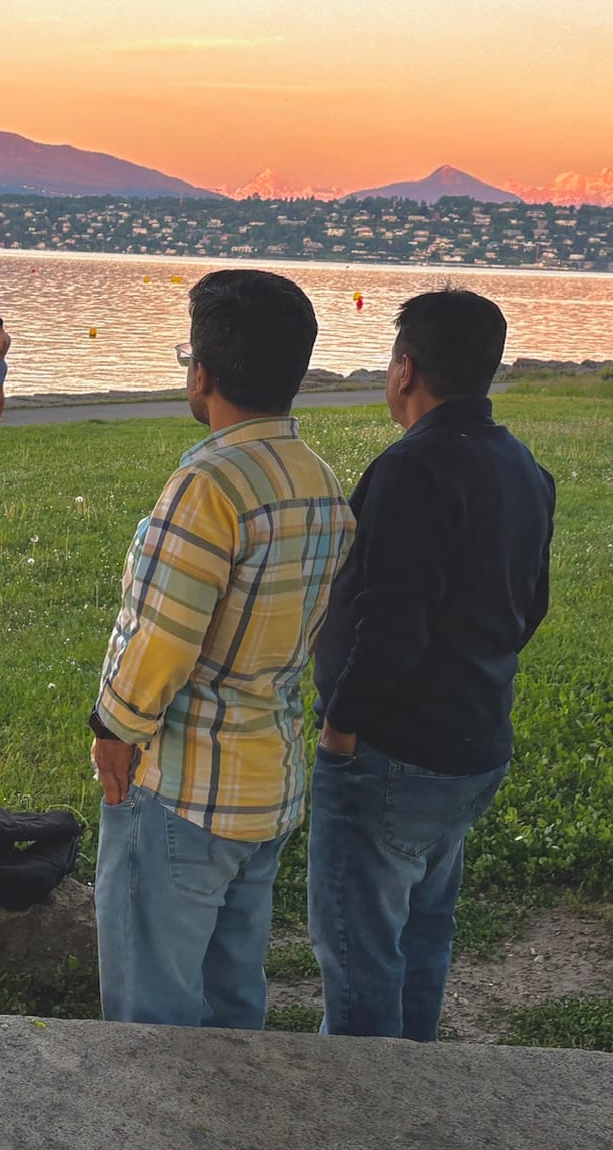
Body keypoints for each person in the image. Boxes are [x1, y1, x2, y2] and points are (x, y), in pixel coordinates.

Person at [88, 270, 355, 1028]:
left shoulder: (207, 484)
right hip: (267, 781)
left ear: (202, 374)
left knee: (154, 1002)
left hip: (185, 786)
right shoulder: (320, 480)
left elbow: (161, 639)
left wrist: (113, 730)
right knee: (235, 992)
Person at [310, 289, 555, 1042]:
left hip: (393, 751)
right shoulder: (522, 466)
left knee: (359, 953)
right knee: (423, 935)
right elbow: (531, 605)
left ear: (405, 369)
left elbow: (391, 621)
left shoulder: (412, 469)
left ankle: (357, 1110)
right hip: (474, 741)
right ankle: (415, 1091)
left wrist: (342, 726)